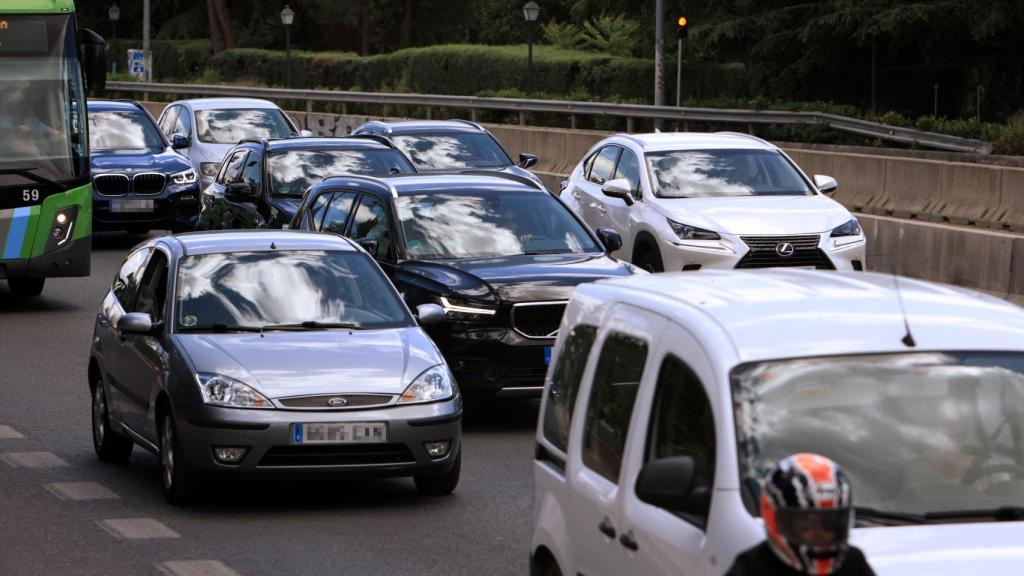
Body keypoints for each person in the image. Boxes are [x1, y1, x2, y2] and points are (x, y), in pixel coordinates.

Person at [726, 453, 876, 576]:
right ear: (776, 520)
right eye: (806, 524)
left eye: (830, 523)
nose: (820, 533)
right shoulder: (750, 567)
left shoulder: (853, 562)